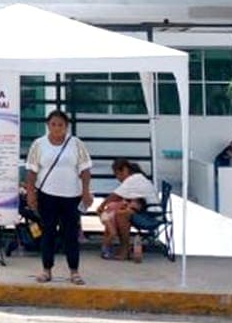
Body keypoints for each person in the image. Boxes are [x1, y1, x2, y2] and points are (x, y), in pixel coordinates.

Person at [24, 110, 93, 285]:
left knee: (71, 234)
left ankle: (74, 272)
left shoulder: (76, 144)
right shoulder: (38, 145)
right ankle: (46, 270)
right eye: (53, 124)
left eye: (60, 125)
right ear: (48, 126)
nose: (56, 128)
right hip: (47, 196)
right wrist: (31, 193)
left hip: (71, 196)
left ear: (66, 126)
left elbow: (85, 170)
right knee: (48, 233)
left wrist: (86, 192)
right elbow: (31, 171)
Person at [96, 158, 155, 261]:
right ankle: (123, 248)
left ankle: (125, 249)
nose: (118, 179)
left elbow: (115, 195)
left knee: (121, 214)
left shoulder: (133, 179)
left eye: (117, 174)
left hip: (150, 214)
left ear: (124, 170)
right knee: (120, 212)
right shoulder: (137, 178)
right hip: (145, 209)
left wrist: (101, 206)